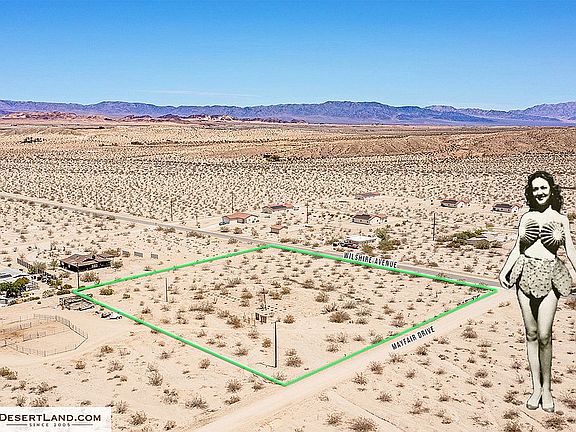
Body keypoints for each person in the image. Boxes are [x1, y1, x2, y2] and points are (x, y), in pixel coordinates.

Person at [500, 171, 576, 412]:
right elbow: (518, 247)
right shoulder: (526, 217)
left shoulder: (561, 219)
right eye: (535, 189)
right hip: (524, 273)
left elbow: (570, 249)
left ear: (551, 190)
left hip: (550, 275)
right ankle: (536, 388)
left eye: (543, 188)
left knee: (544, 335)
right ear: (530, 193)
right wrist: (504, 271)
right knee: (531, 334)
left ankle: (548, 389)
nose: (539, 192)